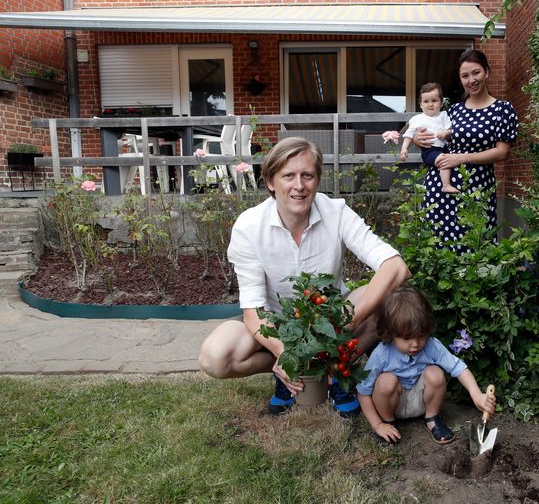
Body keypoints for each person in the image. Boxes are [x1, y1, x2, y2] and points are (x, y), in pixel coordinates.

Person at [199, 137, 410, 418]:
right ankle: (287, 371)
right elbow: (253, 313)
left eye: (307, 175)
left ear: (317, 180)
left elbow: (397, 267)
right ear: (271, 182)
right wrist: (283, 352)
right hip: (279, 324)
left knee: (387, 296)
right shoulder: (249, 226)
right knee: (215, 356)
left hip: (333, 318)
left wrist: (349, 322)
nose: (299, 186)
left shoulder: (336, 212)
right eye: (288, 176)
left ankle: (339, 371)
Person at [356, 286, 496, 445]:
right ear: (391, 333)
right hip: (392, 404)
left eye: (421, 336)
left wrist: (477, 395)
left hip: (421, 401)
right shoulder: (382, 354)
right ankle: (388, 423)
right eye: (407, 338)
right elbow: (363, 392)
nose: (415, 344)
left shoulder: (431, 346)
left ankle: (432, 419)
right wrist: (377, 425)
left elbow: (458, 368)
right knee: (385, 381)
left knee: (435, 373)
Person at [412, 49, 519, 249]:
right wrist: (419, 139)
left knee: (475, 243)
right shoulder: (454, 110)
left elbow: (502, 152)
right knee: (438, 242)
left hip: (477, 186)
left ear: (486, 72)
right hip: (440, 184)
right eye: (465, 76)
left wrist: (460, 158)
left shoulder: (503, 109)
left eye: (476, 73)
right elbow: (432, 132)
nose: (472, 80)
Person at [399, 83, 457, 194]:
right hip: (429, 150)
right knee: (444, 160)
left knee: (448, 159)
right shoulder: (417, 119)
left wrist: (445, 133)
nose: (430, 104)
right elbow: (409, 134)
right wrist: (404, 149)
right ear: (420, 104)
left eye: (434, 101)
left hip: (444, 147)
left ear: (441, 103)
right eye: (426, 101)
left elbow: (450, 130)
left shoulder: (444, 115)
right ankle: (446, 185)